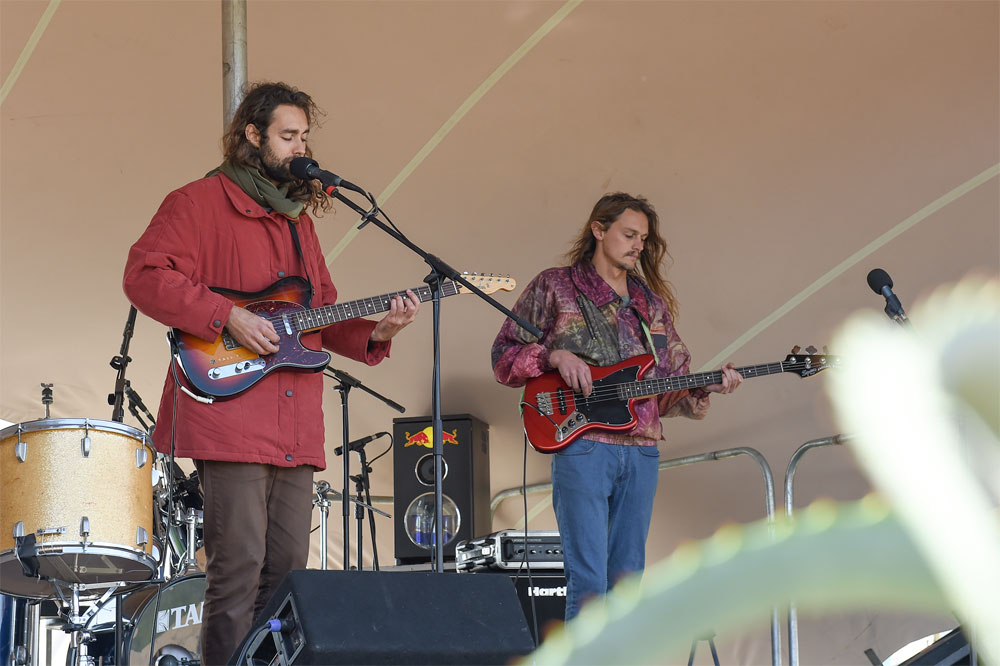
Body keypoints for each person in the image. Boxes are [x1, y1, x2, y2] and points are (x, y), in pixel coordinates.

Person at [123, 81, 420, 664]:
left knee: (287, 577)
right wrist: (226, 315)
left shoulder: (299, 222)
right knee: (236, 572)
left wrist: (377, 332)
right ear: (252, 135)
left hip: (295, 423)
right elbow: (144, 276)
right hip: (229, 414)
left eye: (304, 136)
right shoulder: (197, 202)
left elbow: (318, 314)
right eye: (288, 136)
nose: (300, 148)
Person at [491, 192, 742, 621]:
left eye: (643, 238)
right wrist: (554, 356)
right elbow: (503, 356)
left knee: (627, 588)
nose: (638, 245)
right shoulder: (555, 286)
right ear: (599, 230)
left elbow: (667, 387)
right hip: (583, 444)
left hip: (641, 451)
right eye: (629, 235)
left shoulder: (650, 304)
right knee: (589, 586)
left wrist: (707, 386)